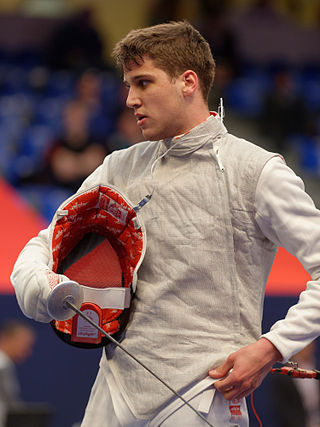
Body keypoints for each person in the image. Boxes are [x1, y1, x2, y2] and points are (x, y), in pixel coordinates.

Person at [10, 21, 320, 426]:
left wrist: (272, 347)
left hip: (204, 394)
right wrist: (46, 291)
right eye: (127, 85)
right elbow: (42, 246)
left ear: (187, 82)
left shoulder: (255, 171)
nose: (129, 99)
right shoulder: (118, 168)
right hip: (115, 391)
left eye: (143, 83)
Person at [271, 341, 320, 427]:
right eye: (305, 345)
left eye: (310, 344)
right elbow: (284, 409)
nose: (308, 348)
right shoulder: (283, 374)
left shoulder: (317, 368)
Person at [0, 320, 35, 426]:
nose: (28, 351)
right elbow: (11, 405)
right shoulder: (3, 365)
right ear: (6, 338)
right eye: (26, 344)